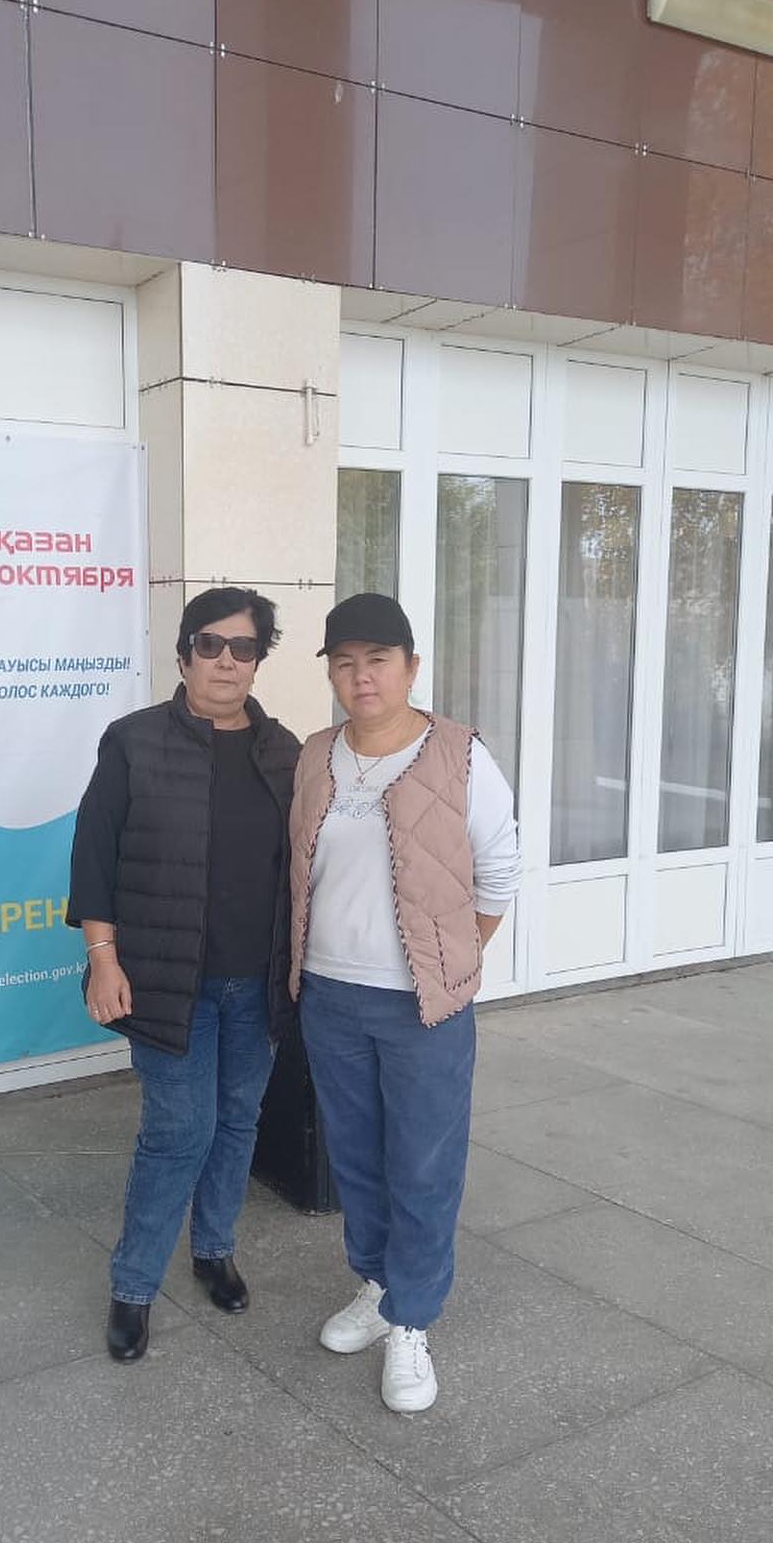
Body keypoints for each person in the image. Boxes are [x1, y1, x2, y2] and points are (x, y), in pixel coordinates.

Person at [290, 592, 520, 1414]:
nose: (362, 678)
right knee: (356, 1157)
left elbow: (499, 873)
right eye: (345, 663)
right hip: (329, 994)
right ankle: (379, 1286)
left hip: (422, 1005)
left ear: (411, 667)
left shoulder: (459, 755)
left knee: (423, 1164)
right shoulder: (315, 755)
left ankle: (413, 1321)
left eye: (378, 661)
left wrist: (453, 963)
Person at [68, 587, 301, 1364]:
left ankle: (213, 1251)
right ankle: (134, 1286)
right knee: (179, 1132)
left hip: (257, 983)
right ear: (183, 655)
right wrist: (103, 958)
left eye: (243, 648)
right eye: (210, 644)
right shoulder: (134, 741)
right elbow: (93, 856)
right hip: (170, 983)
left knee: (237, 1121)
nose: (226, 661)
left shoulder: (284, 752)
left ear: (258, 661)